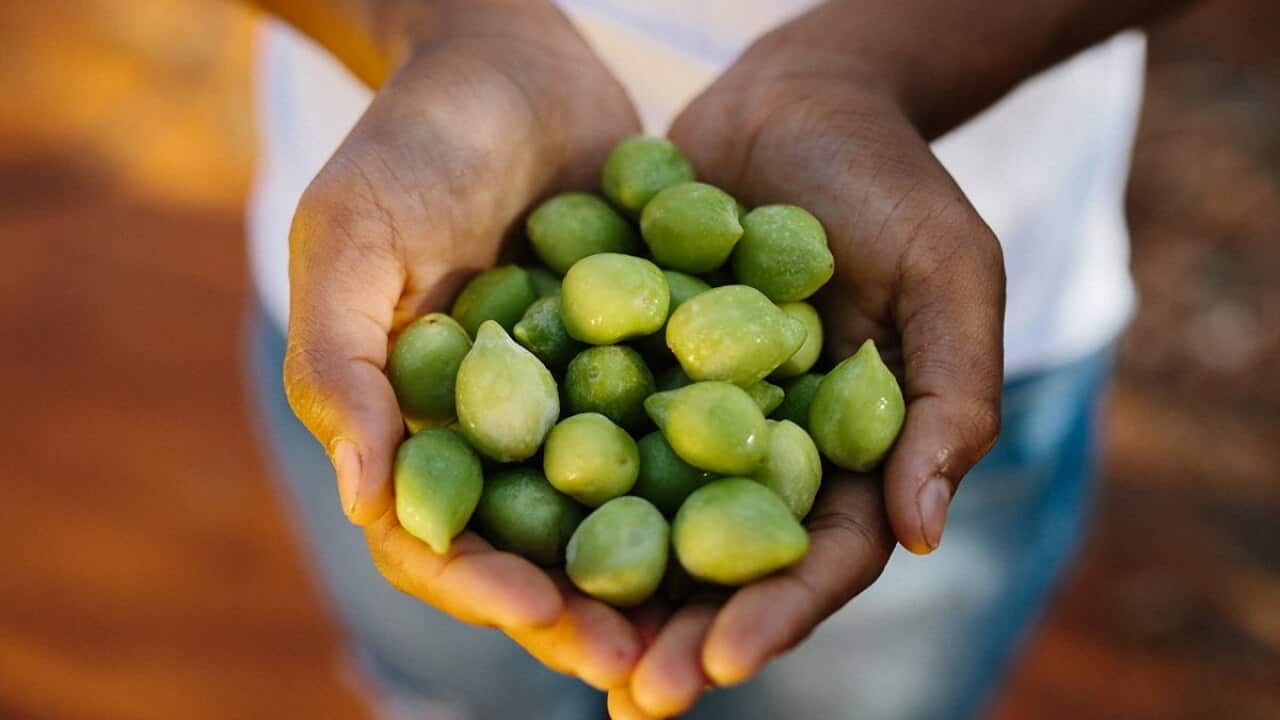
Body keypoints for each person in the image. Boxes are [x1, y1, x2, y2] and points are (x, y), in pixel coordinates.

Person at [242, 1, 1182, 718]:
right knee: (458, 683)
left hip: (942, 286)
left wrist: (881, 64)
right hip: (406, 287)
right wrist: (433, 24)